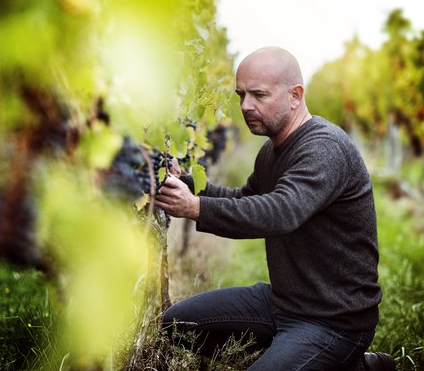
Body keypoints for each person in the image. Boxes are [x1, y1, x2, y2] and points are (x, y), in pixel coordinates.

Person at [155, 47, 395, 370]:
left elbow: (279, 212)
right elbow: (243, 198)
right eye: (241, 95)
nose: (245, 106)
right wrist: (188, 183)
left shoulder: (324, 148)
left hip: (334, 321)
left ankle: (349, 362)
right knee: (177, 323)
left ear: (295, 96)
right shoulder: (271, 152)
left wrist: (195, 208)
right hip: (282, 303)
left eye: (258, 95)